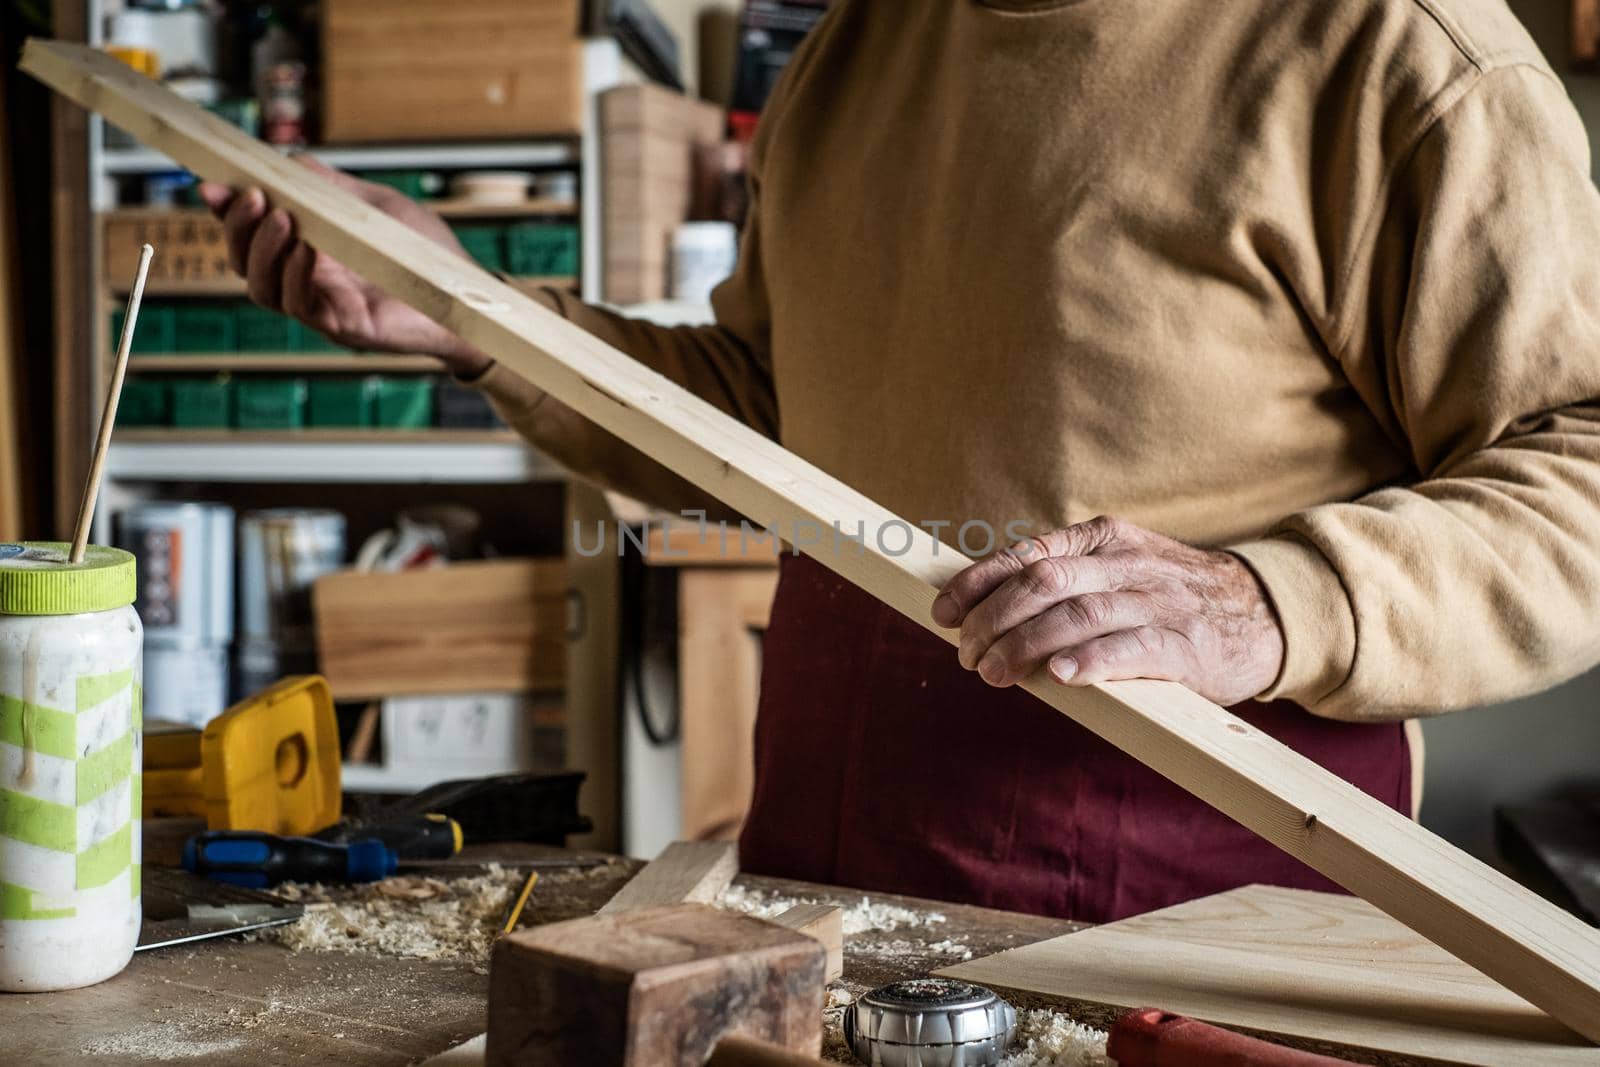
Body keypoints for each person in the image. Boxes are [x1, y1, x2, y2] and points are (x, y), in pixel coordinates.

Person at [203, 0, 1600, 922]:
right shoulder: (855, 51)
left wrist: (1265, 601)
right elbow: (761, 410)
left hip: (1194, 893)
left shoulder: (1398, 55)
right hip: (830, 860)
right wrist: (468, 315)